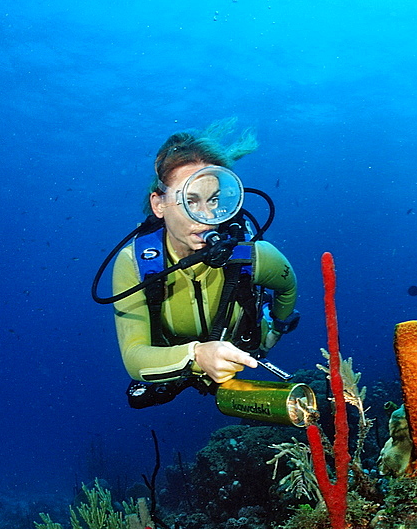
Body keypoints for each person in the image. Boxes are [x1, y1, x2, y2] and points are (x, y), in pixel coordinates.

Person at [110, 120, 299, 407]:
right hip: (177, 359)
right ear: (159, 204)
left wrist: (274, 331)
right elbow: (134, 357)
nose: (206, 215)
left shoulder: (251, 254)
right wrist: (196, 356)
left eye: (213, 200)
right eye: (190, 201)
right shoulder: (135, 264)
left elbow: (288, 285)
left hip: (240, 350)